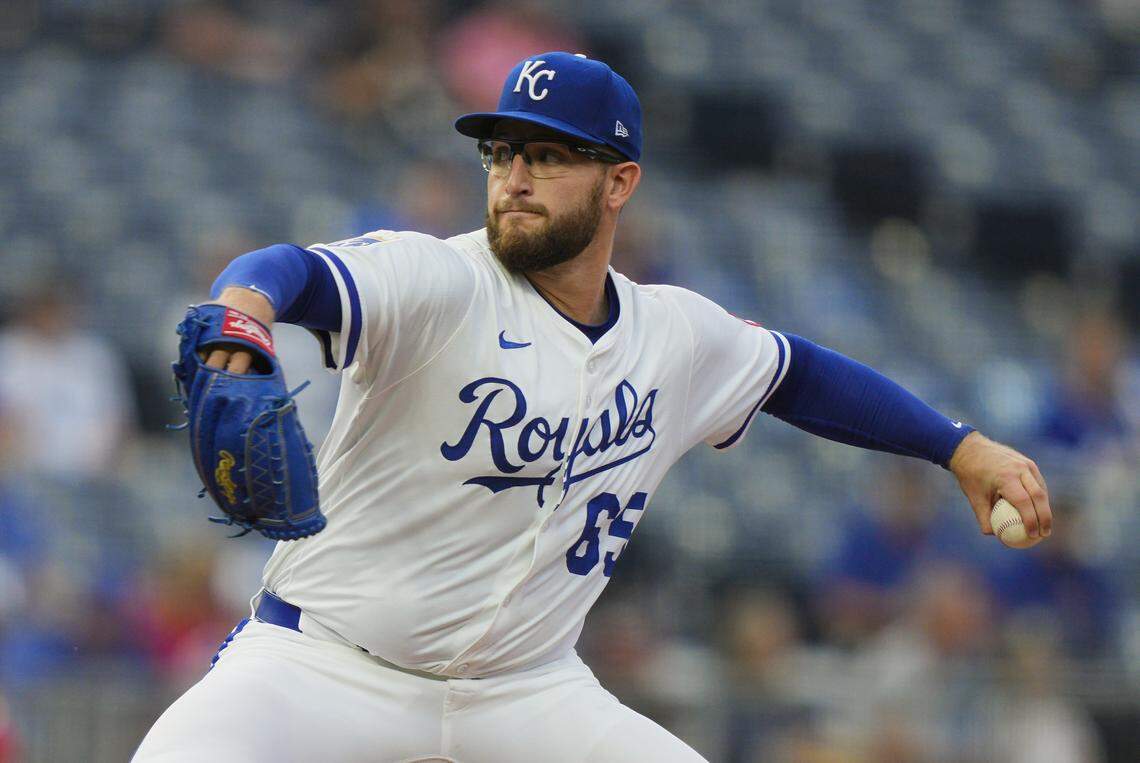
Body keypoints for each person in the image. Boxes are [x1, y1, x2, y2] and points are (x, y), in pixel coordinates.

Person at [133, 52, 1053, 762]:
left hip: (524, 692)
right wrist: (239, 317)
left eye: (548, 154)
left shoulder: (673, 335)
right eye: (501, 151)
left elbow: (798, 373)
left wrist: (958, 449)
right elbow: (288, 272)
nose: (514, 175)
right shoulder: (441, 279)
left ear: (620, 181)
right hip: (325, 661)